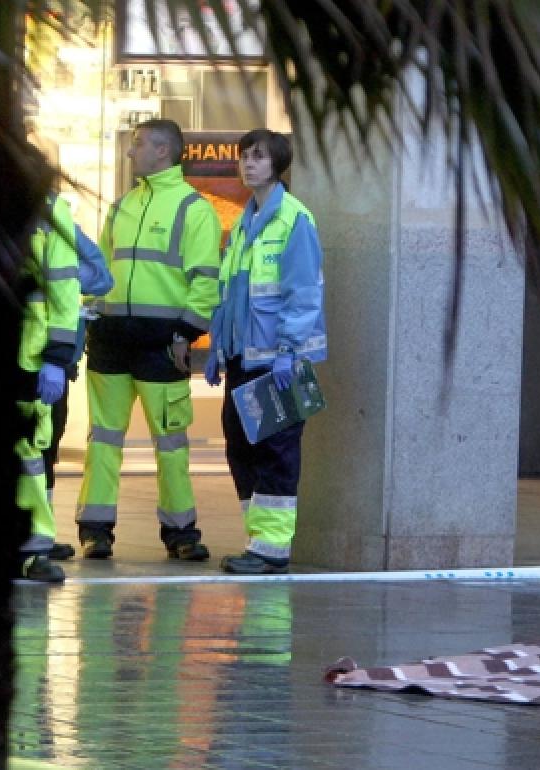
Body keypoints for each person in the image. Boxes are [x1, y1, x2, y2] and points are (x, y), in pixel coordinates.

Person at [76, 118, 222, 560]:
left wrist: (186, 334)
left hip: (163, 344)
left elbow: (206, 283)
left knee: (171, 443)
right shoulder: (121, 207)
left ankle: (180, 533)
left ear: (163, 151)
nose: (129, 152)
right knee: (103, 438)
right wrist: (90, 319)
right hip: (111, 341)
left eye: (137, 144)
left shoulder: (194, 210)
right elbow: (98, 273)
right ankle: (95, 530)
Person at [206, 129, 327, 575]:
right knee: (240, 449)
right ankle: (257, 540)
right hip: (243, 358)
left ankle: (272, 549)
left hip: (277, 361)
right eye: (244, 156)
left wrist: (289, 351)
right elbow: (232, 292)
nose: (247, 164)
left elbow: (304, 293)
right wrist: (219, 350)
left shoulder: (294, 219)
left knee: (276, 451)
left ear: (277, 165)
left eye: (257, 157)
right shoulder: (245, 221)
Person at [16, 193, 82, 582]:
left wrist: (57, 356)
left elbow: (63, 284)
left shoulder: (44, 202)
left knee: (26, 449)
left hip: (25, 347)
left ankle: (32, 548)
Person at [43, 219, 114, 562]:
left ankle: (38, 534)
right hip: (15, 362)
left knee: (45, 451)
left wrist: (65, 282)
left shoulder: (57, 221)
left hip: (54, 361)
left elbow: (101, 276)